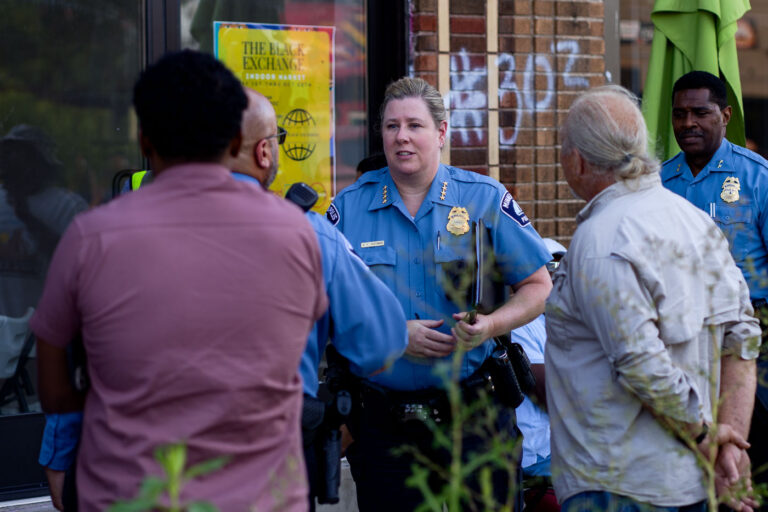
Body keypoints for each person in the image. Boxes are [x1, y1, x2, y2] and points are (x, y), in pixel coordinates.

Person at [31, 50, 327, 511]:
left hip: (130, 496)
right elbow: (309, 353)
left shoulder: (90, 235)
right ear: (237, 141)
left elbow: (53, 388)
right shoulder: (298, 230)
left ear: (145, 139)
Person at [326, 76, 553, 511]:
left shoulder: (484, 199)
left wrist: (491, 325)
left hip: (475, 418)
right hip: (384, 427)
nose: (402, 137)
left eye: (415, 125)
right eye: (391, 127)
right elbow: (321, 307)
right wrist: (390, 334)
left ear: (442, 132)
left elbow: (539, 286)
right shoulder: (348, 208)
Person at [546, 84, 760, 512]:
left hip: (616, 484)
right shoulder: (694, 220)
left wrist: (711, 441)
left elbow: (641, 363)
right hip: (682, 483)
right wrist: (728, 442)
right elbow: (743, 337)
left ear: (578, 159)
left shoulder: (600, 239)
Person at [223, 87, 408, 510]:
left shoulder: (111, 230)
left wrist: (62, 449)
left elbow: (75, 358)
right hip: (268, 468)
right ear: (265, 152)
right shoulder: (309, 232)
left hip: (146, 468)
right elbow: (382, 344)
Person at [660, 70, 768, 502]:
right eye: (680, 114)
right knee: (696, 449)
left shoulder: (756, 177)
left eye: (700, 113)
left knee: (752, 448)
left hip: (752, 336)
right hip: (681, 338)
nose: (688, 123)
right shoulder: (659, 183)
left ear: (724, 115)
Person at [514, 237, 566, 512]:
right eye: (549, 269)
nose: (557, 276)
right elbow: (555, 394)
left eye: (562, 268)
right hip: (537, 458)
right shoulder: (522, 323)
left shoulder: (565, 321)